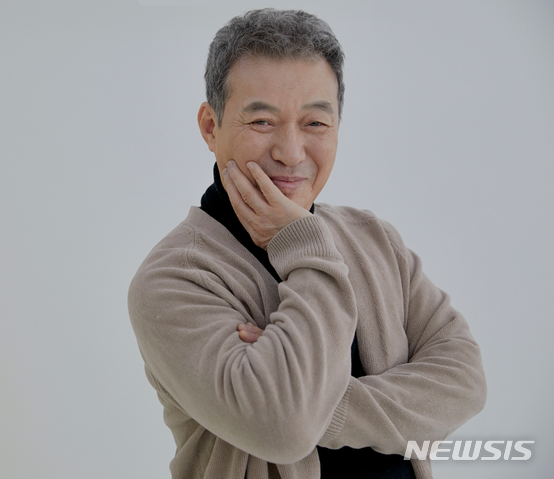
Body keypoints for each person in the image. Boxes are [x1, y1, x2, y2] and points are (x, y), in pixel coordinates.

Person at [128, 8, 486, 479]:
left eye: (315, 123)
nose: (291, 152)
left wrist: (319, 401)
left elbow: (464, 381)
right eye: (262, 122)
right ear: (211, 127)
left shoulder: (374, 239)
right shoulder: (172, 280)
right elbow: (284, 426)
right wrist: (306, 246)